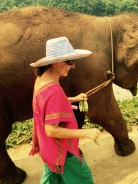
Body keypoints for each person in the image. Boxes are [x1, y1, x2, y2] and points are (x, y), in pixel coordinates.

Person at [29, 36, 100, 184]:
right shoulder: (54, 90)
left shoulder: (42, 80)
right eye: (70, 62)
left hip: (48, 146)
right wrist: (85, 132)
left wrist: (74, 98)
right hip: (62, 149)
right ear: (56, 63)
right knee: (84, 179)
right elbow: (51, 130)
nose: (73, 66)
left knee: (51, 179)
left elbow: (48, 104)